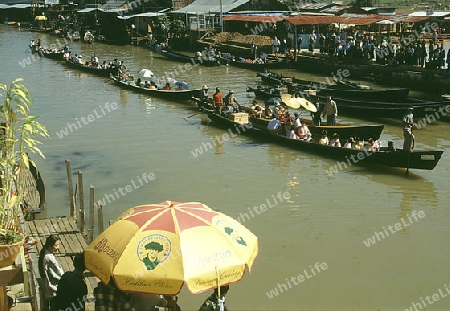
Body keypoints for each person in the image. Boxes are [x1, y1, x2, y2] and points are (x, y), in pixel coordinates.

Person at [38, 235, 64, 311]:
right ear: (49, 245)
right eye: (56, 245)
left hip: (46, 283)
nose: (58, 247)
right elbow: (59, 271)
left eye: (59, 245)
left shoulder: (43, 251)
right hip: (53, 288)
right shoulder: (49, 257)